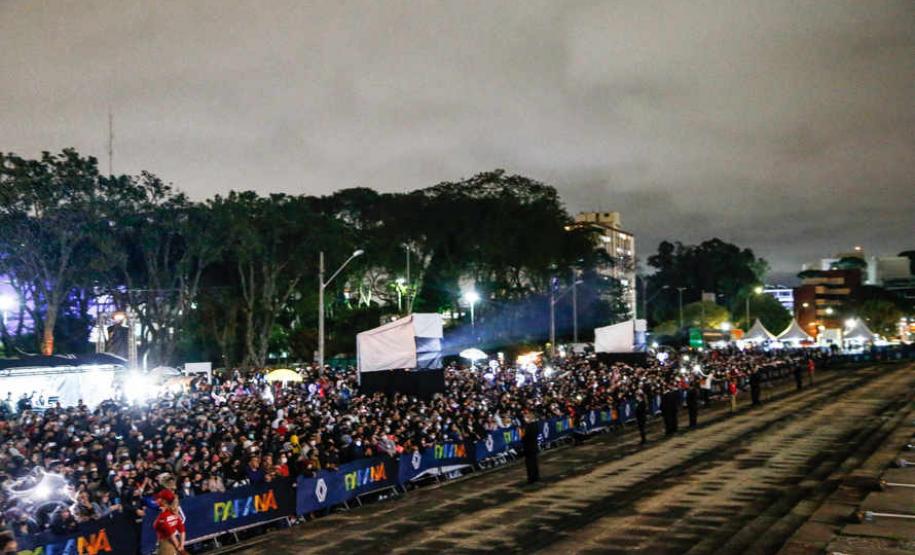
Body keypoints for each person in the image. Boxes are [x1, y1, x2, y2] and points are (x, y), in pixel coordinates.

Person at [153, 489, 186, 555]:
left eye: (160, 498)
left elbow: (171, 535)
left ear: (164, 501)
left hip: (165, 544)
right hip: (172, 544)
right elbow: (182, 531)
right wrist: (181, 546)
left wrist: (178, 547)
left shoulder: (162, 518)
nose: (157, 500)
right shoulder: (175, 515)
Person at [521, 411, 539, 484]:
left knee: (530, 463)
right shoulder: (535, 425)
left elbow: (526, 437)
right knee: (534, 462)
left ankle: (531, 478)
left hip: (529, 447)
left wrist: (523, 438)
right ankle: (535, 476)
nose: (524, 419)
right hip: (533, 446)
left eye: (526, 418)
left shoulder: (529, 426)